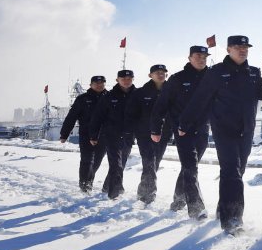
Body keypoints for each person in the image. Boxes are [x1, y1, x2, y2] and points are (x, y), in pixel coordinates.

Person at [180, 35, 262, 234]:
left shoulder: (253, 73)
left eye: (245, 47)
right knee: (231, 172)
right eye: (237, 47)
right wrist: (185, 122)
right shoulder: (216, 72)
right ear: (228, 49)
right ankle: (232, 219)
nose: (242, 50)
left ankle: (223, 209)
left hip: (246, 131)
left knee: (238, 171)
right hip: (223, 130)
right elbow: (200, 99)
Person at [151, 45, 210, 219]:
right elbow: (161, 105)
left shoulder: (211, 77)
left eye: (204, 56)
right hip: (183, 130)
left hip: (204, 129)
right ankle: (196, 208)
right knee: (191, 166)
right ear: (190, 57)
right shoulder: (177, 79)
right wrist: (156, 128)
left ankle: (178, 200)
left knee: (190, 166)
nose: (201, 59)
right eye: (198, 56)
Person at [124, 64, 170, 204]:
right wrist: (130, 133)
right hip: (144, 134)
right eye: (157, 72)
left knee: (155, 162)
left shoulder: (172, 91)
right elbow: (131, 114)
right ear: (150, 75)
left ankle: (143, 191)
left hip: (164, 133)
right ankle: (147, 196)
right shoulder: (140, 93)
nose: (160, 74)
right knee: (149, 161)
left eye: (163, 72)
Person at [89, 70, 136, 199]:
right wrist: (94, 135)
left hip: (128, 136)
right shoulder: (109, 96)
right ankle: (114, 194)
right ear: (117, 80)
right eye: (123, 78)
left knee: (122, 163)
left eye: (129, 78)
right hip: (111, 135)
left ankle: (107, 186)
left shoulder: (137, 95)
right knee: (116, 164)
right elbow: (97, 117)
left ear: (133, 79)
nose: (126, 81)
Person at [60, 75, 108, 192]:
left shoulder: (109, 97)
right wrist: (64, 134)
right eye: (96, 83)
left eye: (102, 83)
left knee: (96, 161)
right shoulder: (82, 99)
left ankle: (88, 181)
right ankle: (84, 186)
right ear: (91, 85)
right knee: (87, 160)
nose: (99, 85)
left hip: (103, 136)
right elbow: (71, 117)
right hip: (86, 135)